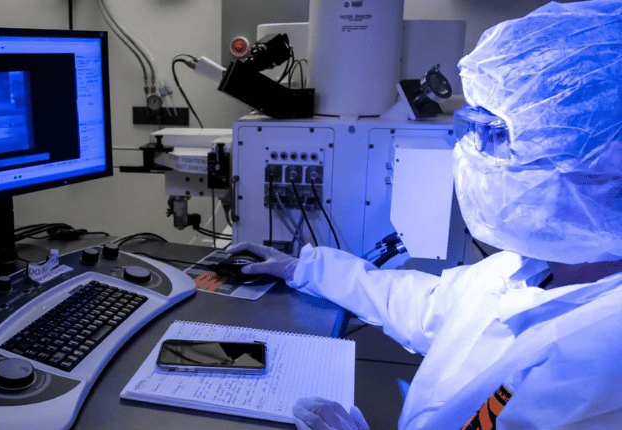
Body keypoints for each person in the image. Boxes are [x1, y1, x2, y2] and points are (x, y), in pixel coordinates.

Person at [228, 1, 622, 429]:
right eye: (469, 126)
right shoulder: (542, 263)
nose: (469, 154)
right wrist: (305, 267)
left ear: (599, 169)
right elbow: (431, 308)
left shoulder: (600, 355)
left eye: (492, 135)